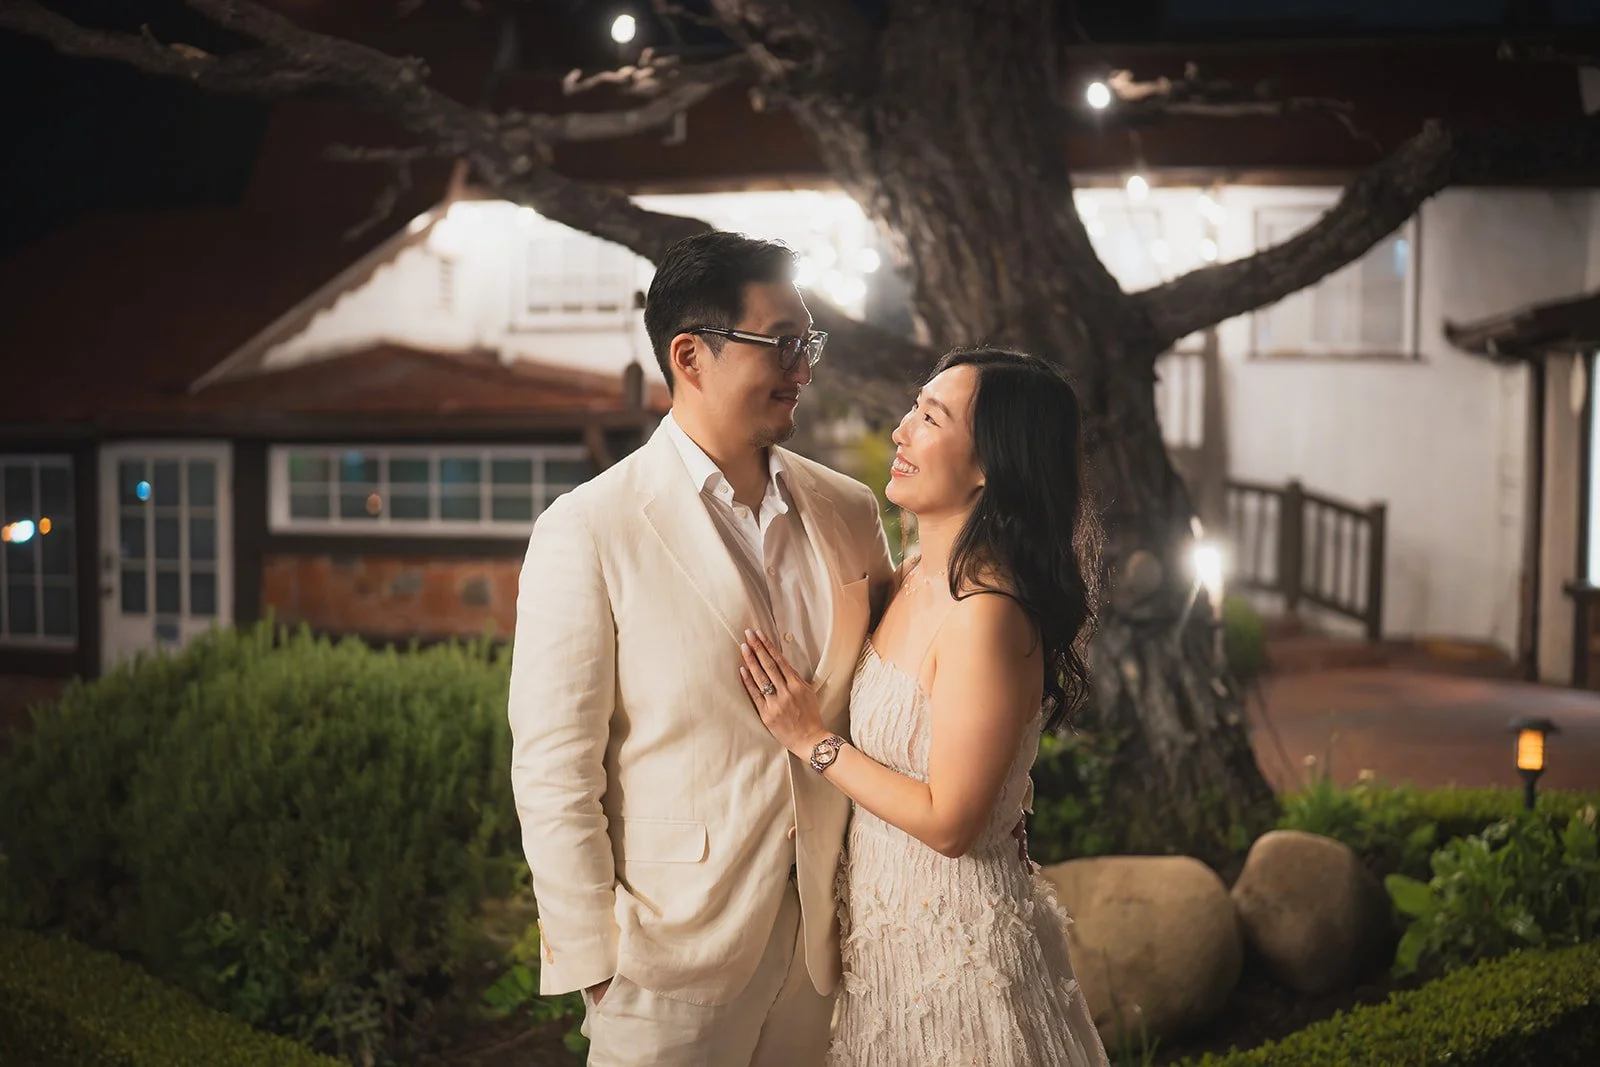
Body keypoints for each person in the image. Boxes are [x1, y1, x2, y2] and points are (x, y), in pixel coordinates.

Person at [507, 230, 895, 1067]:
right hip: (668, 958)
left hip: (827, 947)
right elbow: (553, 765)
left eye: (810, 343)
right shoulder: (587, 528)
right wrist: (594, 960)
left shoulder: (850, 508)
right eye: (783, 344)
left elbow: (896, 697)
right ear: (691, 354)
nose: (805, 368)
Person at [737, 347, 1111, 1066]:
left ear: (988, 465)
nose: (902, 430)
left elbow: (952, 823)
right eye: (914, 406)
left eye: (931, 417)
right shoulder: (909, 576)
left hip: (960, 957)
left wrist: (812, 739)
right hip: (886, 950)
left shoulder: (987, 614)